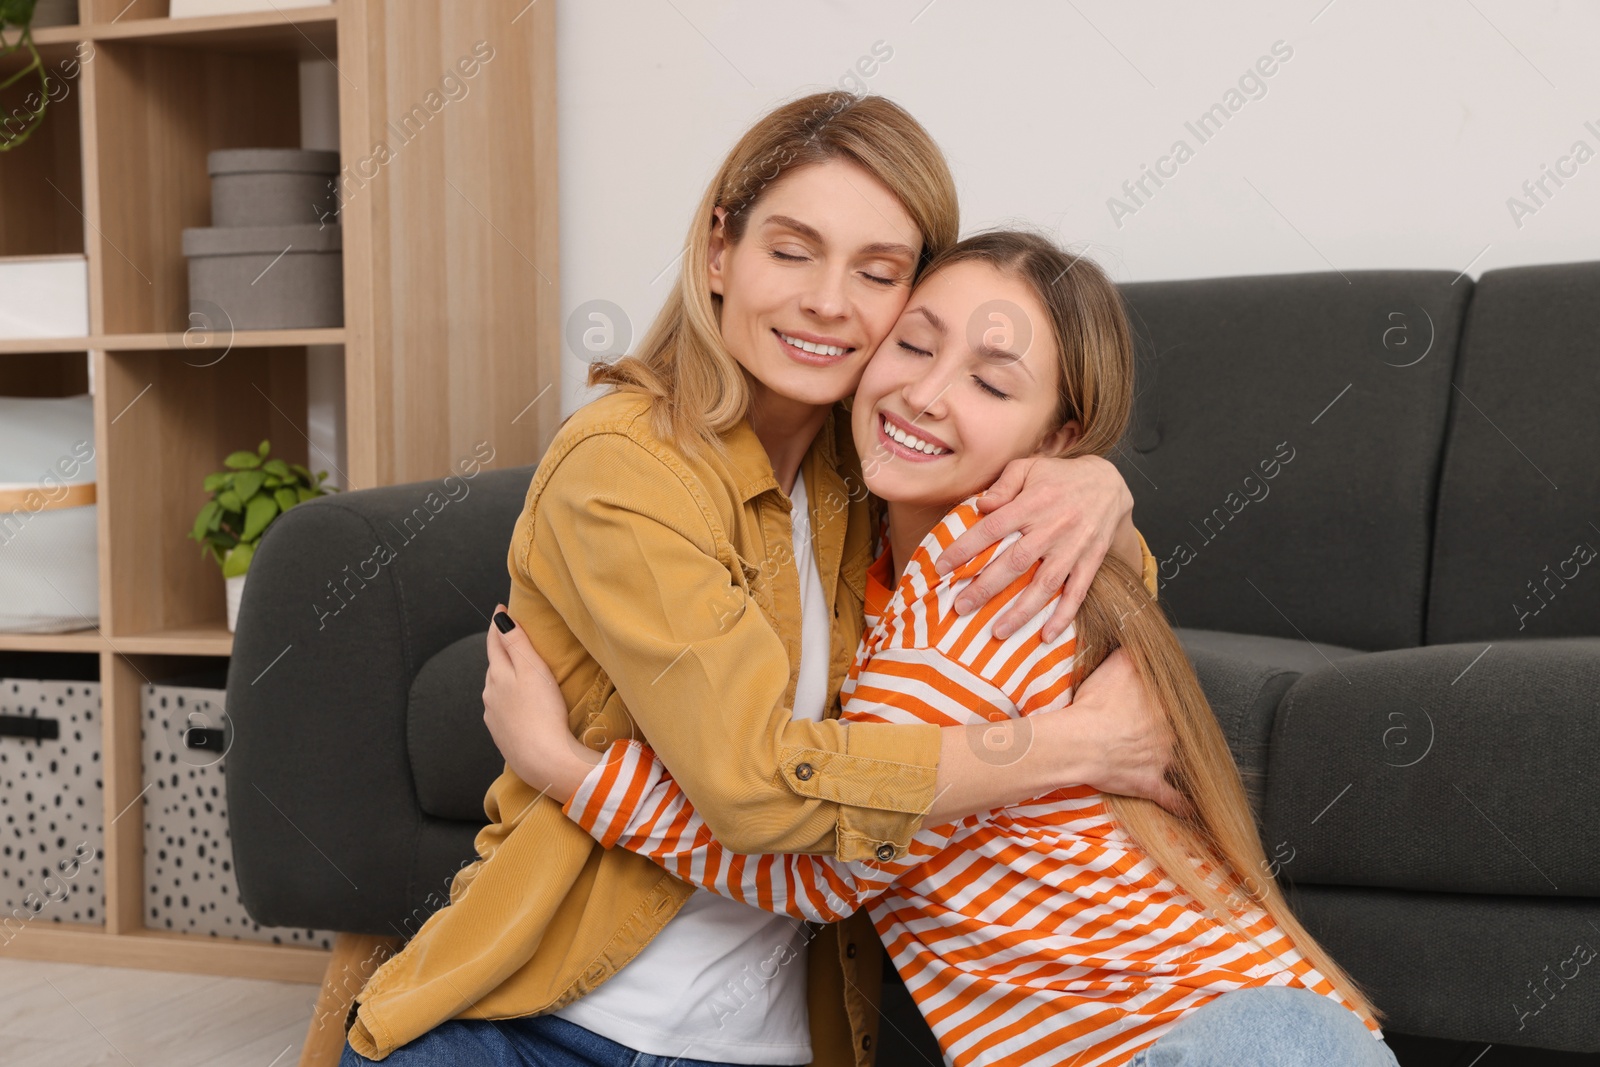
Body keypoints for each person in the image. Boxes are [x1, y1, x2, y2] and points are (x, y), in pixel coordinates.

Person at [343, 93, 1177, 1066]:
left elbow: (1078, 581)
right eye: (791, 249)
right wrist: (1069, 744)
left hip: (767, 1044)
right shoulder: (623, 465)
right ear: (718, 252)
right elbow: (756, 784)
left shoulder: (877, 462)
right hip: (537, 1026)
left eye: (876, 272)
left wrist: (1098, 488)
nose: (830, 299)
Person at [488, 231, 1398, 1067]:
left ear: (1057, 437)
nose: (926, 394)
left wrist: (571, 770)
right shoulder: (934, 564)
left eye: (991, 383)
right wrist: (1101, 490)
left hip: (1234, 1042)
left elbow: (820, 866)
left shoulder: (963, 614)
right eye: (915, 346)